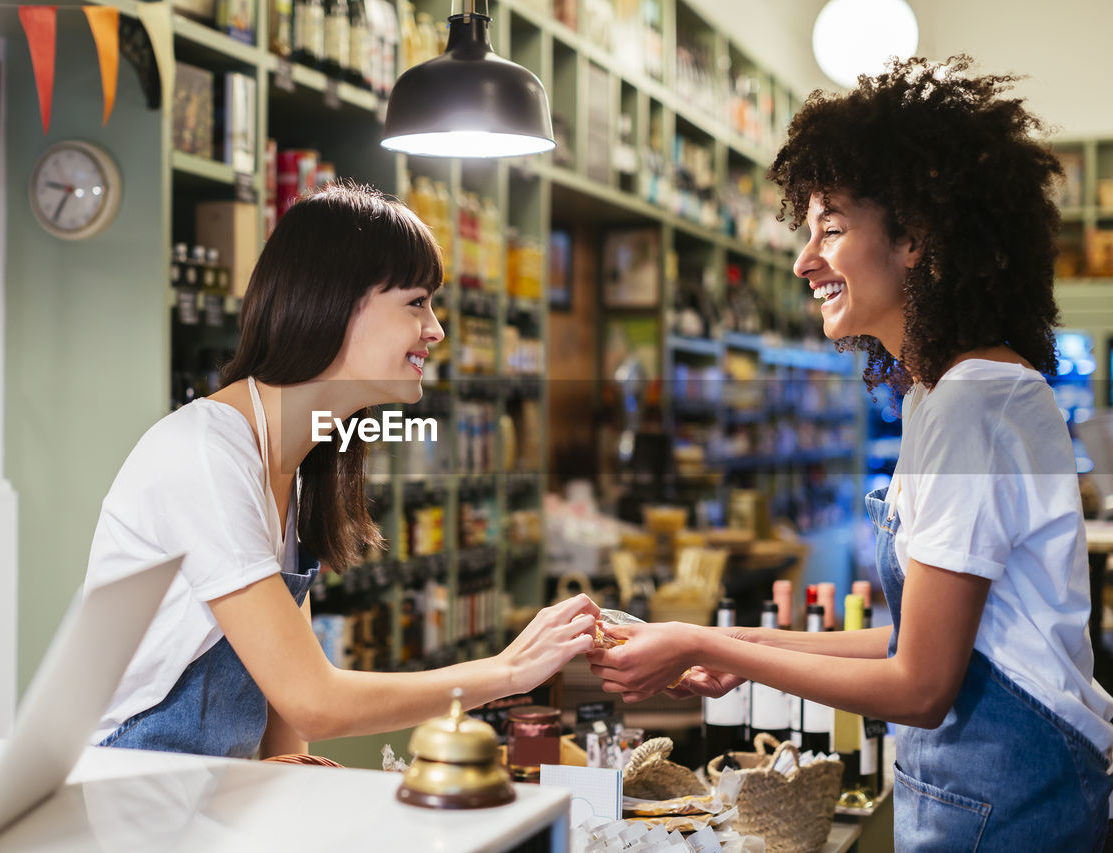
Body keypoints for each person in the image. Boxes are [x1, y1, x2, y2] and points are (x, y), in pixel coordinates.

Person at [587, 56, 1113, 851]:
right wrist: (742, 650)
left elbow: (922, 685)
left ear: (914, 235)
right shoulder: (942, 393)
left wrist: (705, 642)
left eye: (830, 226)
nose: (804, 260)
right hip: (983, 795)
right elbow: (915, 641)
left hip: (1011, 811)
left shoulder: (972, 402)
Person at [86, 182, 598, 759]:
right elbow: (313, 699)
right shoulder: (205, 455)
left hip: (203, 790)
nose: (437, 330)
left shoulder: (295, 464)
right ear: (336, 302)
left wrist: (291, 767)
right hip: (124, 791)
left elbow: (283, 706)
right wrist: (507, 672)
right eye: (416, 302)